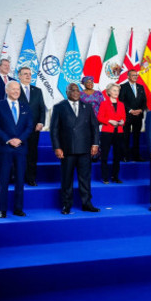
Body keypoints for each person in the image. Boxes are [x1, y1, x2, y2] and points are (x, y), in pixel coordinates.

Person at [50, 83, 100, 214]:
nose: (76, 92)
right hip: (67, 150)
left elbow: (94, 127)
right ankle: (66, 205)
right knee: (67, 179)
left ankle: (87, 203)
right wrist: (57, 147)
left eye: (77, 90)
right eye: (72, 90)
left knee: (85, 179)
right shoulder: (59, 107)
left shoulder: (87, 107)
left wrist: (95, 144)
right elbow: (54, 130)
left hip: (85, 149)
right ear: (67, 92)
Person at [0, 81, 32, 218]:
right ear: (7, 90)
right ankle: (3, 210)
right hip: (4, 148)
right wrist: (9, 140)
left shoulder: (25, 106)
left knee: (20, 180)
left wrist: (19, 139)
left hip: (21, 148)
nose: (16, 91)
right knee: (4, 180)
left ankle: (18, 209)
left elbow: (29, 127)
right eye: (13, 89)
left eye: (18, 89)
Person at [17, 66, 46, 186]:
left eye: (29, 74)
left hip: (34, 128)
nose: (28, 76)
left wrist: (41, 122)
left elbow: (42, 108)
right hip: (18, 129)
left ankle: (31, 178)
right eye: (25, 74)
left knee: (32, 153)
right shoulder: (14, 89)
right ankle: (18, 177)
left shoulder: (37, 90)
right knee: (18, 153)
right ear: (19, 76)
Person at [97, 83, 125, 184]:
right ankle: (105, 177)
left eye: (117, 91)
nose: (116, 92)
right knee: (104, 155)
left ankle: (115, 176)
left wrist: (122, 122)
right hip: (107, 132)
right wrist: (109, 121)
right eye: (114, 90)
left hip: (119, 132)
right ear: (109, 92)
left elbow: (124, 117)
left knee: (117, 156)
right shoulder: (104, 104)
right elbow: (99, 117)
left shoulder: (121, 104)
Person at [119, 69, 147, 162]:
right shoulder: (123, 87)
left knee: (136, 137)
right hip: (127, 116)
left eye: (136, 75)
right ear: (128, 76)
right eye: (133, 75)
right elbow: (121, 101)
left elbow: (144, 101)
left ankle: (136, 156)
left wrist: (141, 110)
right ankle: (125, 156)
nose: (135, 77)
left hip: (138, 116)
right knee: (125, 137)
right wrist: (130, 110)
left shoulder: (141, 87)